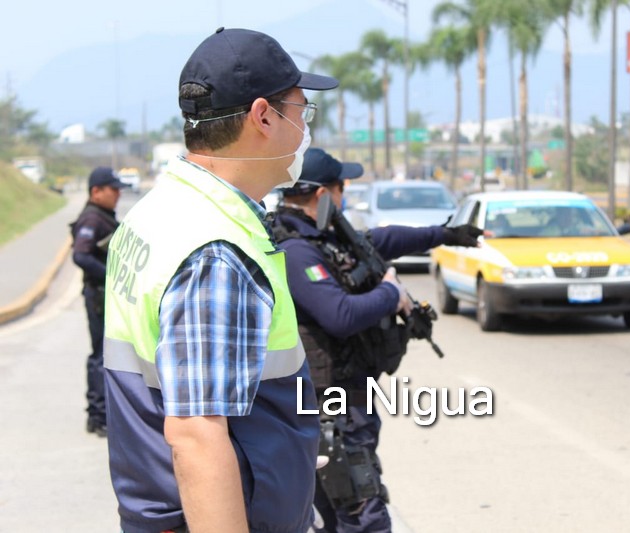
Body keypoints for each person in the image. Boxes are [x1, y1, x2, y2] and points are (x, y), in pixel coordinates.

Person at [102, 28, 338, 533]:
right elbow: (197, 437)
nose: (305, 129)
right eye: (303, 111)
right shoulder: (216, 249)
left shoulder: (159, 210)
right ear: (263, 116)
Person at [271, 148, 483, 533]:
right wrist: (391, 293)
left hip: (346, 401)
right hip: (330, 407)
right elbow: (340, 315)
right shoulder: (296, 251)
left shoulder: (324, 238)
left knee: (336, 515)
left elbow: (383, 239)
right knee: (362, 515)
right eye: (342, 187)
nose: (345, 195)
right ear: (323, 194)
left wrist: (446, 234)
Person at [69, 166, 128, 437]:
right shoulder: (92, 218)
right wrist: (111, 275)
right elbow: (80, 255)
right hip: (98, 295)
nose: (117, 194)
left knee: (105, 354)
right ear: (96, 191)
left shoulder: (102, 215)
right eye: (112, 190)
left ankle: (100, 414)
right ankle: (98, 415)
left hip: (103, 294)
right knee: (101, 356)